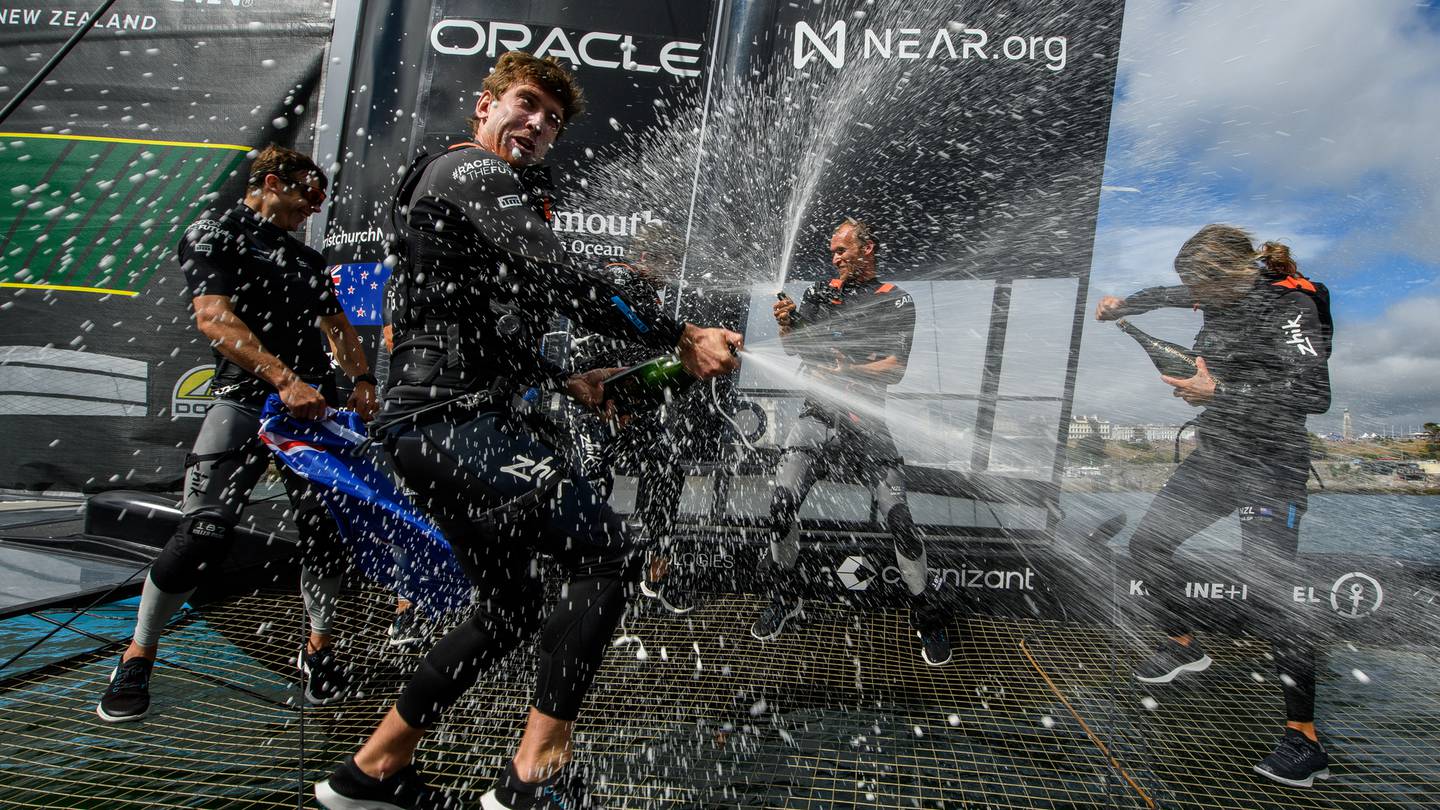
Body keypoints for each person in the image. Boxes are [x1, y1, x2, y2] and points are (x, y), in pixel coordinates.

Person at [313, 51, 741, 810]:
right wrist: (678, 334)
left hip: (440, 424)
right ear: (485, 105)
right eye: (526, 103)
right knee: (606, 555)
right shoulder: (472, 171)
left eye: (553, 119)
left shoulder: (460, 187)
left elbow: (470, 320)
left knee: (510, 608)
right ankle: (533, 778)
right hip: (452, 423)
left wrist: (568, 380)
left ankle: (370, 774)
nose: (538, 123)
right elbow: (558, 274)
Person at [96, 144, 378, 722]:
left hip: (312, 414)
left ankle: (317, 650)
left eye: (322, 197)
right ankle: (138, 654)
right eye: (310, 192)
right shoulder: (216, 232)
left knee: (326, 530)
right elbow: (213, 317)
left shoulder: (306, 258)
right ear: (271, 182)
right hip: (247, 400)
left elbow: (337, 326)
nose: (315, 205)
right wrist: (285, 380)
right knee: (203, 532)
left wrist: (363, 379)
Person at [1096, 224, 1334, 788]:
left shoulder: (1290, 306)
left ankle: (1304, 739)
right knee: (1148, 545)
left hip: (1272, 463)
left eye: (1201, 288)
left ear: (1234, 273)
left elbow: (1315, 394)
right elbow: (1162, 294)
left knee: (1270, 589)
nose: (1194, 299)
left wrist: (1218, 392)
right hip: (1218, 456)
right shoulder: (1213, 290)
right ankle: (1184, 645)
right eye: (1192, 289)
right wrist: (1122, 307)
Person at [751, 217, 952, 666]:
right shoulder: (821, 292)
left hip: (868, 420)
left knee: (900, 519)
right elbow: (797, 349)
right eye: (832, 252)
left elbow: (895, 368)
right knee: (780, 506)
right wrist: (786, 325)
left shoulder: (895, 298)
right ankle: (786, 597)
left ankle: (927, 614)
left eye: (842, 250)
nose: (835, 258)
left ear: (867, 248)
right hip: (817, 415)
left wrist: (848, 370)